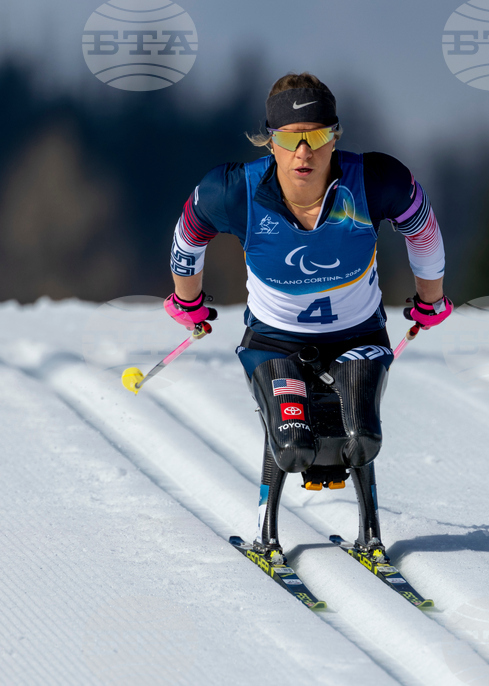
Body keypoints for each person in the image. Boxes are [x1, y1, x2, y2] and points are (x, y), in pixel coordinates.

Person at [164, 72, 452, 566]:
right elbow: (188, 235)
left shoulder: (373, 180)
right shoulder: (236, 191)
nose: (304, 153)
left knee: (363, 440)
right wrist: (186, 302)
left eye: (316, 137)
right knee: (293, 448)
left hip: (358, 337)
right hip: (274, 343)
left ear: (334, 137)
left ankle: (369, 531)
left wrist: (432, 299)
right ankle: (266, 529)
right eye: (289, 139)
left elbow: (422, 227)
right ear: (269, 142)